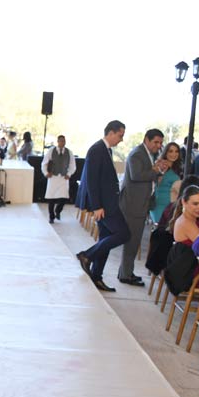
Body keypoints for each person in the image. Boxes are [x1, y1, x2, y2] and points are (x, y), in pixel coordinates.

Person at [76, 120, 129, 292]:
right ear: (111, 132)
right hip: (104, 205)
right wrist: (97, 206)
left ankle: (96, 276)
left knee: (106, 238)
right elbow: (92, 180)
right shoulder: (97, 149)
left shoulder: (106, 150)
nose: (121, 139)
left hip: (108, 203)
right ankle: (87, 255)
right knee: (123, 234)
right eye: (120, 135)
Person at [117, 129, 167, 285]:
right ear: (146, 139)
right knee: (132, 241)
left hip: (141, 203)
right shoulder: (138, 154)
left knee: (134, 240)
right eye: (156, 142)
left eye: (160, 143)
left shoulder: (149, 154)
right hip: (133, 204)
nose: (158, 146)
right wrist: (156, 171)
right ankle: (126, 275)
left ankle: (125, 272)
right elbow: (136, 175)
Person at [41, 134, 75, 223]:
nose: (62, 143)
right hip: (53, 177)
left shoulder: (69, 152)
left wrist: (69, 174)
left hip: (63, 178)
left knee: (64, 198)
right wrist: (46, 173)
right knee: (51, 198)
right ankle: (51, 216)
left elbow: (72, 165)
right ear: (58, 141)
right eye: (61, 141)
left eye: (64, 141)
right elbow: (44, 163)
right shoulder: (51, 151)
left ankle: (58, 211)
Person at [149, 141, 182, 223]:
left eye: (176, 151)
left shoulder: (178, 168)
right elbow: (154, 182)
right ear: (165, 152)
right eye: (170, 151)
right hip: (160, 204)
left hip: (173, 204)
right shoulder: (160, 165)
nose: (174, 154)